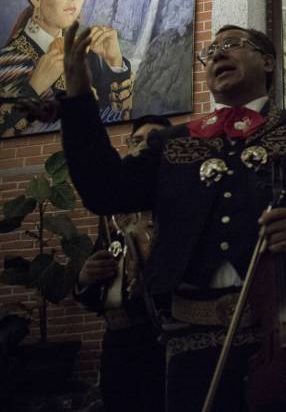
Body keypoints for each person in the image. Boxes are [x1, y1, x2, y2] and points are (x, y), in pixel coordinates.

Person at [59, 23, 286, 411]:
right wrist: (77, 100)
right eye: (210, 52)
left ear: (267, 62)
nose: (218, 54)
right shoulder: (171, 143)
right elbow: (104, 192)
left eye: (233, 44)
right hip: (193, 341)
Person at [0, 0, 152, 137]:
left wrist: (115, 64)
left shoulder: (87, 55)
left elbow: (117, 117)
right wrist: (34, 87)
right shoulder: (8, 60)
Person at [75, 114, 171, 412]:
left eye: (153, 141)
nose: (142, 146)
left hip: (169, 339)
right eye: (136, 140)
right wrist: (85, 279)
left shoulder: (183, 203)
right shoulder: (112, 211)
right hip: (119, 344)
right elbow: (99, 286)